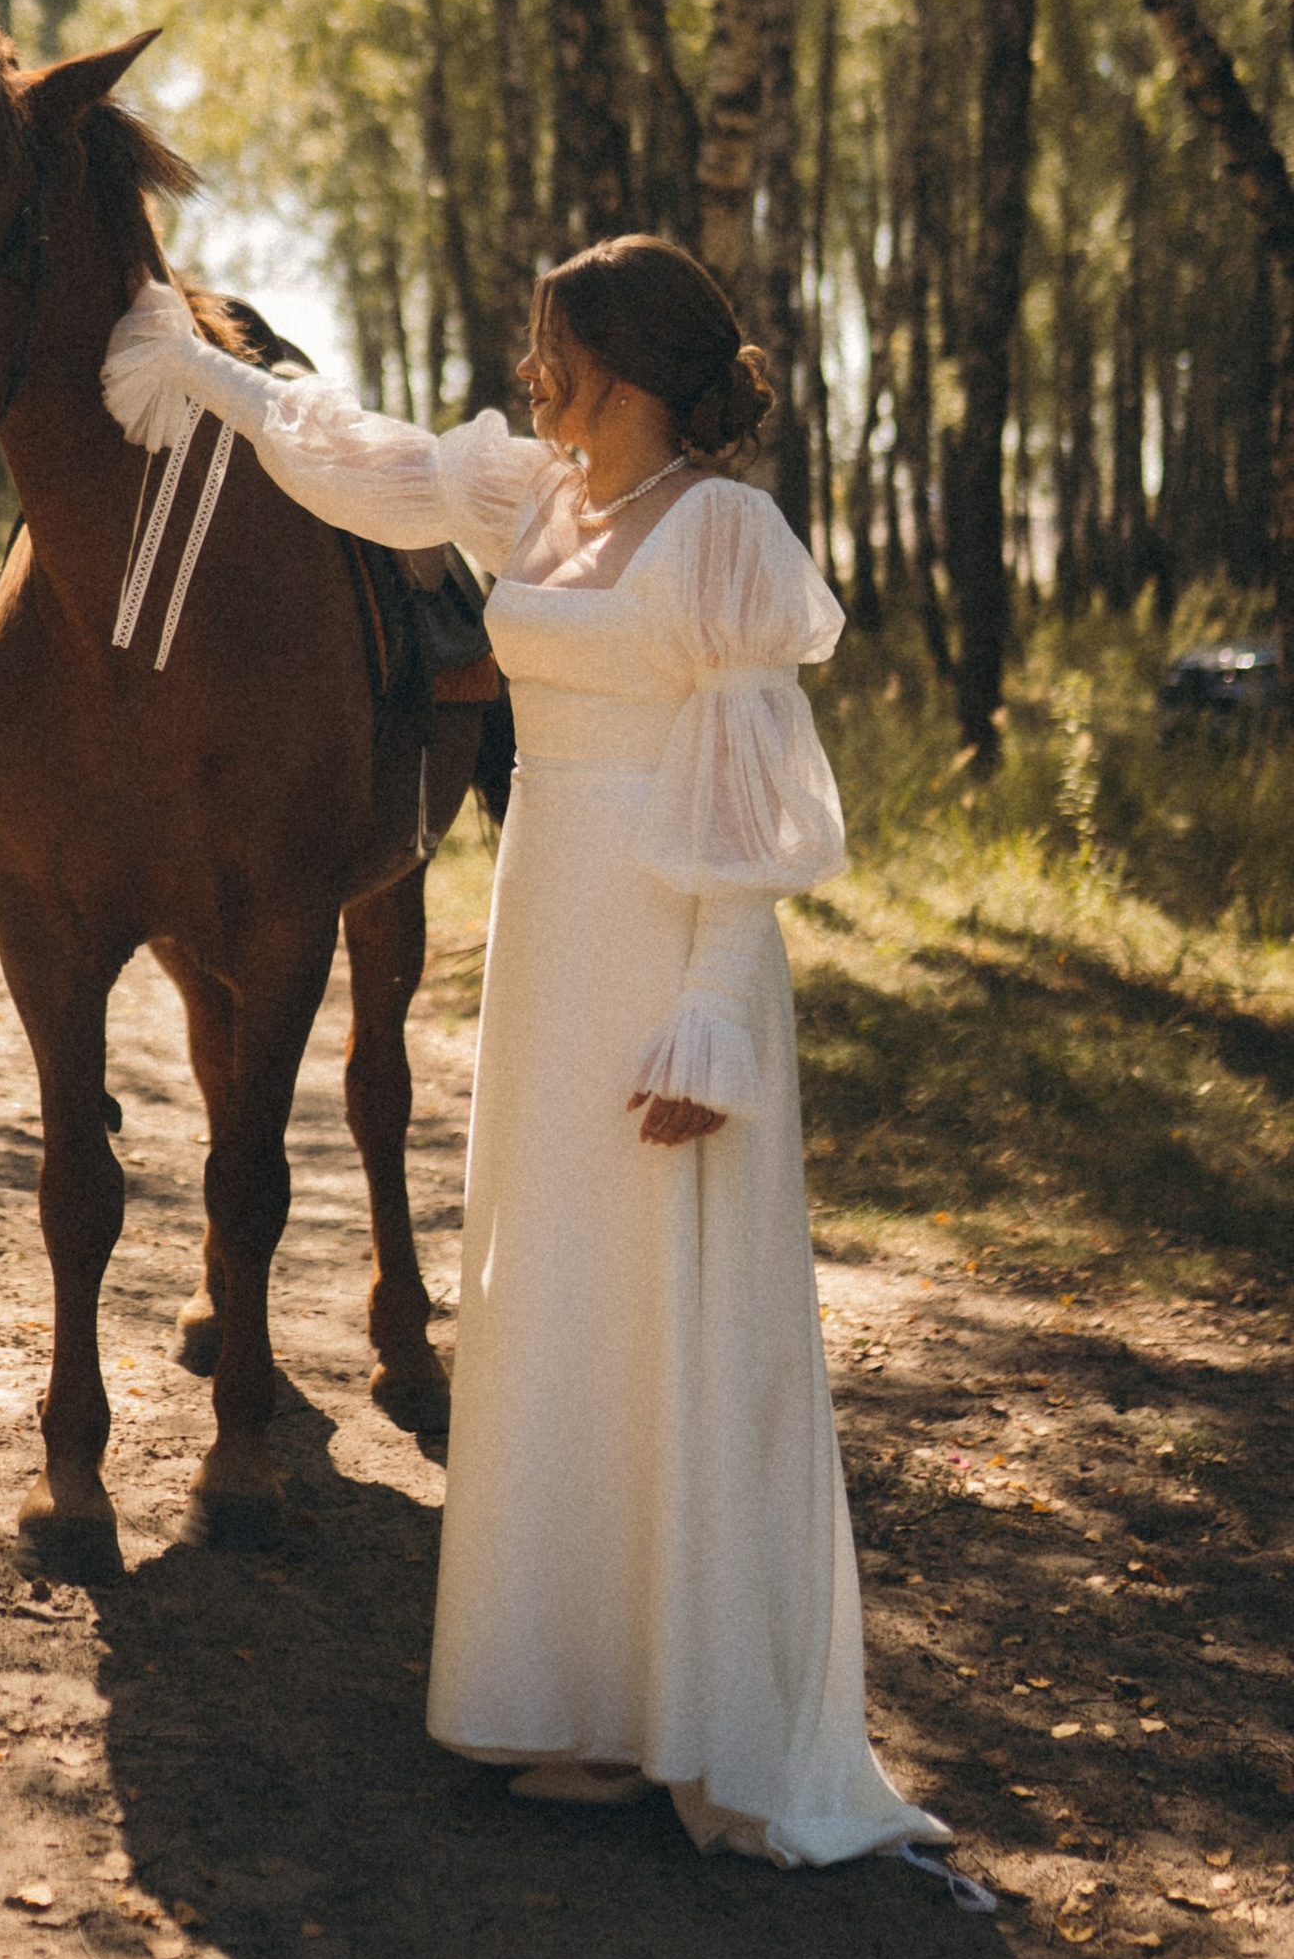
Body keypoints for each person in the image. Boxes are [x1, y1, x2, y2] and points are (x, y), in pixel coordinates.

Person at [101, 233, 941, 1871]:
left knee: (660, 1292)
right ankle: (567, 1689)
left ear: (619, 363)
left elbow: (753, 794)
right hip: (554, 930)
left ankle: (680, 1713)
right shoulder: (536, 501)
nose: (526, 368)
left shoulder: (724, 535)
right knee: (551, 1285)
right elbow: (364, 459)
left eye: (549, 344)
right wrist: (206, 374)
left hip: (672, 943)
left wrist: (709, 996)